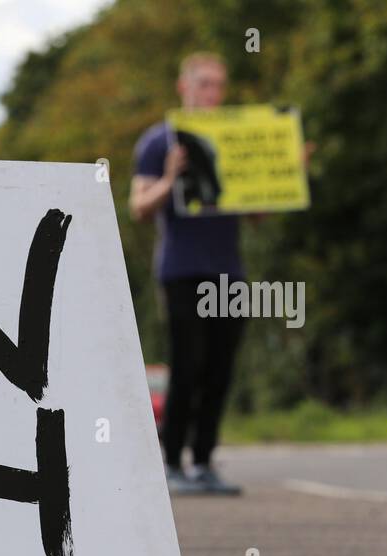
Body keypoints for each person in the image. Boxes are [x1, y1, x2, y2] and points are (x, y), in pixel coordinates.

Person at [130, 52, 244, 496]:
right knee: (188, 366)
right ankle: (172, 461)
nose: (213, 93)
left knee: (221, 368)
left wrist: (282, 179)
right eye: (204, 84)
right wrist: (171, 177)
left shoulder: (235, 140)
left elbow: (256, 217)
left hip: (229, 272)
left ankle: (203, 461)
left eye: (219, 85)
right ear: (184, 87)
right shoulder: (159, 142)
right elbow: (139, 207)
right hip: (181, 271)